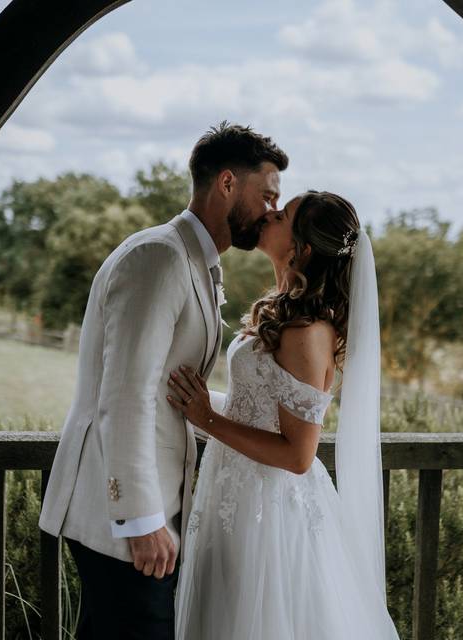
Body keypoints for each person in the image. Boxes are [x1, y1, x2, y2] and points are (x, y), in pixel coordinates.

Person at [38, 122, 288, 639]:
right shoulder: (159, 257)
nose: (270, 211)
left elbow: (171, 391)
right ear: (226, 184)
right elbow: (125, 396)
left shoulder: (198, 263)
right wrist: (141, 517)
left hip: (154, 510)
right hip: (121, 518)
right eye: (266, 195)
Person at [169, 191, 400, 639]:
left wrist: (208, 419)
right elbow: (254, 409)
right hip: (236, 493)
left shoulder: (307, 332)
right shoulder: (285, 314)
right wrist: (194, 403)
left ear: (302, 249)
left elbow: (298, 454)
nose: (270, 215)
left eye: (284, 215)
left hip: (269, 513)